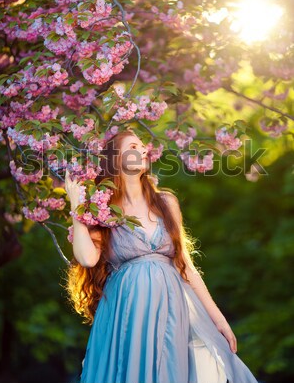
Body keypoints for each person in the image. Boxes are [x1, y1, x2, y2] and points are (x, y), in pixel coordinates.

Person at [64, 128, 258, 383]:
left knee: (169, 371)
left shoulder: (166, 202)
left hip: (170, 307)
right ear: (115, 159)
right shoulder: (104, 210)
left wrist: (218, 319)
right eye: (133, 147)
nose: (143, 150)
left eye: (142, 146)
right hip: (127, 308)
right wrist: (76, 208)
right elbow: (88, 258)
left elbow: (186, 266)